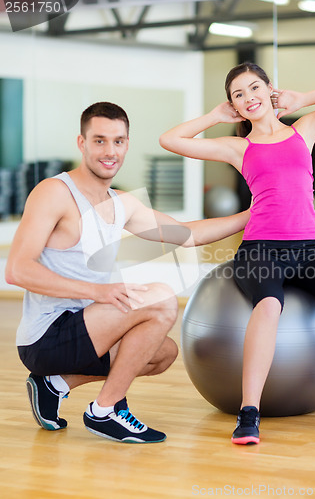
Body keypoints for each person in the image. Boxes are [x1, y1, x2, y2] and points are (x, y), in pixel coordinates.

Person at [159, 62, 315, 445]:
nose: (248, 98)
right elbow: (170, 140)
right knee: (270, 303)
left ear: (269, 90)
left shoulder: (303, 131)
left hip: (310, 250)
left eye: (254, 88)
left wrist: (302, 98)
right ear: (234, 107)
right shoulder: (238, 147)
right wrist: (213, 116)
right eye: (238, 95)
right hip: (260, 250)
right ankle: (249, 411)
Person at [5, 101, 251, 444]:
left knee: (162, 353)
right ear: (82, 143)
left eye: (118, 141)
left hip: (90, 325)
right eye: (100, 140)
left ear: (127, 144)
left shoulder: (122, 203)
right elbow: (17, 270)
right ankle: (104, 411)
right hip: (46, 336)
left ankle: (53, 384)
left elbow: (187, 234)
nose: (110, 151)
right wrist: (98, 292)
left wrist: (256, 213)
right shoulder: (54, 193)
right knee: (161, 301)